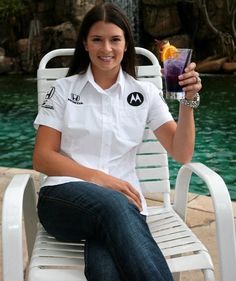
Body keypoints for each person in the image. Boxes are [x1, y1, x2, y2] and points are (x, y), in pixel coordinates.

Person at [33, 3, 202, 281]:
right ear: (85, 44)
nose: (106, 49)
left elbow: (181, 152)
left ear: (126, 45)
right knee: (114, 206)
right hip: (63, 199)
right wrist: (100, 179)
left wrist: (188, 101)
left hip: (124, 209)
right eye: (97, 39)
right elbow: (42, 157)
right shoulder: (63, 89)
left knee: (107, 271)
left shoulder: (144, 93)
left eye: (115, 40)